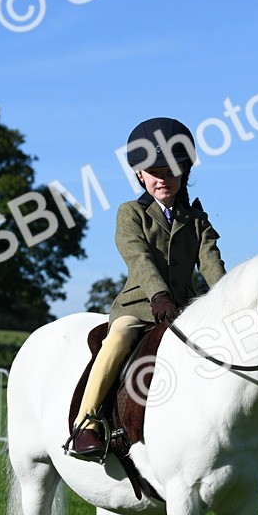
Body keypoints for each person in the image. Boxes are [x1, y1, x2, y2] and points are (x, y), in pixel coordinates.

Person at [66, 117, 226, 460]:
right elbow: (138, 257)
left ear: (184, 171)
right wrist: (159, 295)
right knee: (117, 340)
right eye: (153, 172)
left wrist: (227, 299)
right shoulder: (130, 213)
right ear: (140, 175)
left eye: (170, 170)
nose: (162, 178)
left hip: (185, 310)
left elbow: (212, 264)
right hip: (139, 307)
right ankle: (86, 423)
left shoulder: (198, 221)